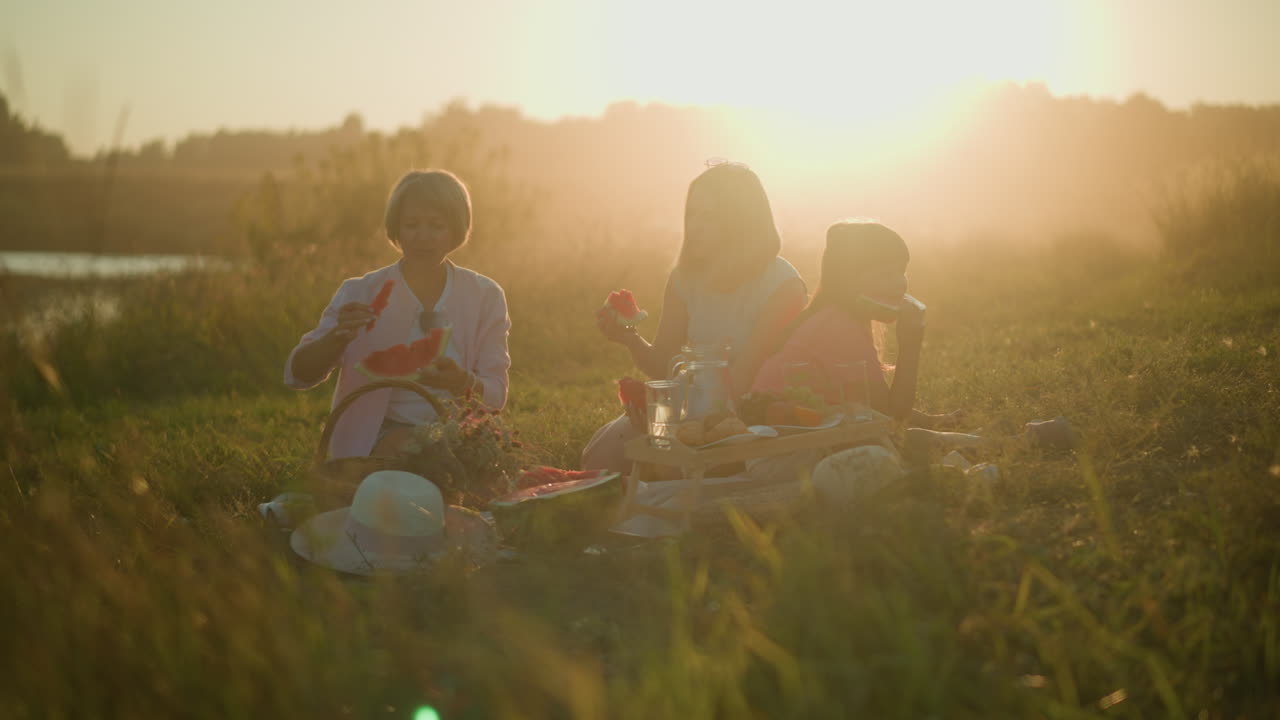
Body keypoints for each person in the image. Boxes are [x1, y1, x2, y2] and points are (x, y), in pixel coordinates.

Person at [583, 161, 807, 472]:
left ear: (741, 221)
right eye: (692, 215)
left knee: (657, 471)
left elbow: (744, 382)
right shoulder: (684, 278)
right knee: (596, 459)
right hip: (687, 412)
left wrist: (673, 424)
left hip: (749, 419)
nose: (694, 227)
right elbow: (664, 364)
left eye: (709, 217)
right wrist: (629, 339)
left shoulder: (782, 285)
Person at [285, 169, 511, 460]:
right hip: (374, 438)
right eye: (411, 225)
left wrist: (462, 382)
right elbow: (298, 375)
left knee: (445, 456)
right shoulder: (359, 292)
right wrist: (338, 336)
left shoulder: (485, 296)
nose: (423, 237)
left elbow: (496, 395)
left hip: (457, 433)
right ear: (397, 229)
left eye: (436, 225)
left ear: (456, 229)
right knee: (411, 448)